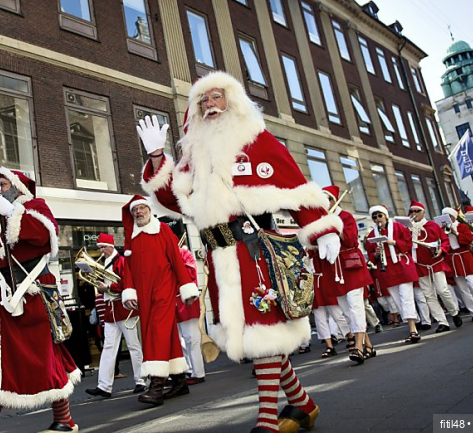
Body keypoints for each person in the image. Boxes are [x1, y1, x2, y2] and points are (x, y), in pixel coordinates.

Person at [137, 71, 342, 433]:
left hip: (253, 249)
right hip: (218, 255)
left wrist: (321, 227)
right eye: (202, 101)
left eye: (216, 97)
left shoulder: (256, 139)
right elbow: (173, 198)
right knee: (254, 333)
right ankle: (303, 404)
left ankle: (267, 420)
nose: (209, 105)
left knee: (263, 330)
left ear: (231, 100)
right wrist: (157, 157)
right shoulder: (194, 153)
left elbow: (293, 180)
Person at [0, 168, 80, 433]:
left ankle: (64, 420)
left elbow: (47, 237)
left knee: (44, 359)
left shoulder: (33, 206)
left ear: (18, 186)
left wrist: (14, 214)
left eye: (3, 182)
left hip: (29, 297)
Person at [120, 196, 198, 405]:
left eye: (143, 208)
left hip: (163, 292)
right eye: (135, 211)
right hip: (143, 297)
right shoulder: (132, 237)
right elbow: (127, 267)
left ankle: (156, 385)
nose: (139, 213)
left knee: (156, 333)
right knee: (163, 334)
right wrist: (128, 291)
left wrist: (187, 289)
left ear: (149, 209)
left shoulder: (163, 229)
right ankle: (180, 380)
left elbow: (176, 259)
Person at [85, 233, 146, 398]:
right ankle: (104, 385)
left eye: (103, 247)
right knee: (108, 347)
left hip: (124, 308)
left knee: (133, 346)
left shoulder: (122, 261)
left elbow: (127, 283)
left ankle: (141, 381)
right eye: (100, 248)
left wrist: (108, 287)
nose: (101, 250)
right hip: (110, 310)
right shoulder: (104, 263)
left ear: (110, 246)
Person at [323, 186, 376, 363]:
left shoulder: (345, 217)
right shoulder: (321, 219)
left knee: (355, 307)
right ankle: (369, 346)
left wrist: (335, 226)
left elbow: (351, 239)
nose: (326, 203)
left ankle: (359, 348)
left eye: (328, 199)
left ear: (334, 200)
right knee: (346, 311)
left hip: (351, 267)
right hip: (334, 269)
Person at [364, 205, 421, 343]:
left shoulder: (398, 227)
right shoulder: (371, 235)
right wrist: (376, 254)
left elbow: (408, 244)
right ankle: (413, 320)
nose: (377, 219)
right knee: (397, 301)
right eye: (374, 216)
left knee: (406, 297)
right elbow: (371, 256)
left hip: (401, 265)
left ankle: (413, 329)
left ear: (385, 216)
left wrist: (393, 242)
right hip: (386, 270)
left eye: (380, 215)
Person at [408, 201, 462, 333]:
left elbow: (444, 240)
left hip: (435, 262)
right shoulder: (408, 229)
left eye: (417, 211)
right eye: (412, 212)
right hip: (420, 265)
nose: (414, 214)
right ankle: (442, 321)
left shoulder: (432, 225)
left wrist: (441, 250)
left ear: (423, 212)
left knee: (443, 290)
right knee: (429, 295)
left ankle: (454, 312)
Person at [441, 207, 473, 322]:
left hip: (465, 257)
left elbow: (468, 239)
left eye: (449, 216)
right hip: (453, 259)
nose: (447, 219)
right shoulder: (442, 229)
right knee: (462, 288)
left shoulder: (462, 226)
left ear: (453, 217)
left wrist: (456, 233)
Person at [175, 238, 207, 385]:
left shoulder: (184, 253)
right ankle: (189, 369)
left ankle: (198, 372)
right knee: (181, 342)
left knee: (192, 339)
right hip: (174, 303)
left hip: (186, 300)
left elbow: (191, 275)